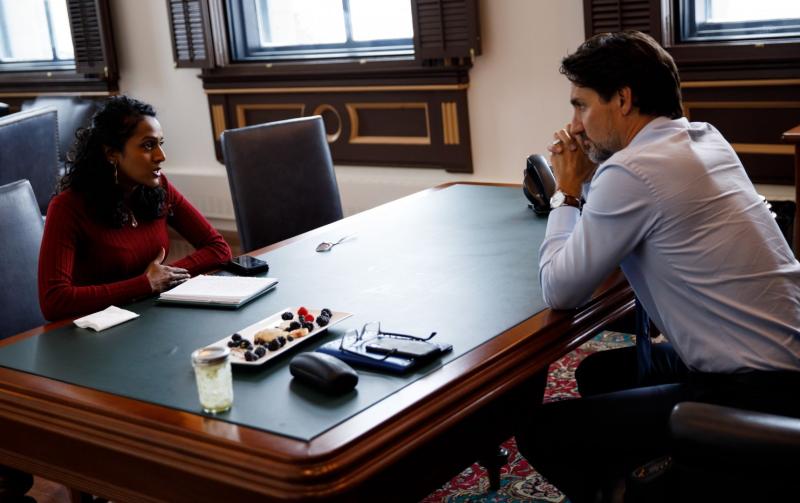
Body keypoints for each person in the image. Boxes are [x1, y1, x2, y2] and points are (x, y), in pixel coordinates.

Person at [514, 31, 800, 502]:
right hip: (787, 357)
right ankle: (643, 478)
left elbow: (559, 289)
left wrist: (566, 191)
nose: (575, 125)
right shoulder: (705, 138)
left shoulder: (630, 172)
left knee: (543, 431)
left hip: (753, 392)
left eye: (581, 106)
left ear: (623, 99)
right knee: (600, 375)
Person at [39, 95, 232, 320]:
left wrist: (165, 276)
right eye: (148, 145)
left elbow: (218, 249)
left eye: (160, 144)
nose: (161, 156)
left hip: (148, 317)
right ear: (111, 153)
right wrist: (145, 284)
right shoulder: (67, 207)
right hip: (94, 333)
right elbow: (54, 301)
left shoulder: (160, 187)